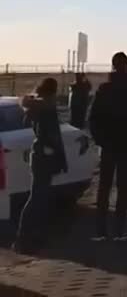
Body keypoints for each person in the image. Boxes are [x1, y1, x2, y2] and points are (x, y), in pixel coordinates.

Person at [89, 51, 127, 241]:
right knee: (122, 188)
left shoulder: (105, 89)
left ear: (113, 66)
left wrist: (101, 140)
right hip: (126, 145)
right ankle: (119, 230)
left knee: (104, 188)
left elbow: (92, 119)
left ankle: (100, 230)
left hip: (109, 145)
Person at [15, 77, 67, 254]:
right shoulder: (46, 110)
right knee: (37, 199)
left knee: (39, 198)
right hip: (44, 157)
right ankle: (25, 239)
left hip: (41, 157)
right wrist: (60, 157)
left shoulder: (40, 108)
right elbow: (53, 137)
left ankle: (30, 237)